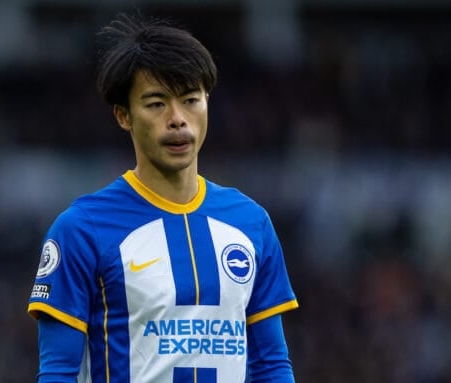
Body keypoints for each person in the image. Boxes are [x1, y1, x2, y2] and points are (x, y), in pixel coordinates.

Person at [27, 13, 299, 383]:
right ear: (124, 116)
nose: (177, 119)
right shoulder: (82, 229)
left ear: (208, 103)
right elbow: (58, 372)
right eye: (156, 104)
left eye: (190, 100)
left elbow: (272, 366)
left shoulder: (251, 224)